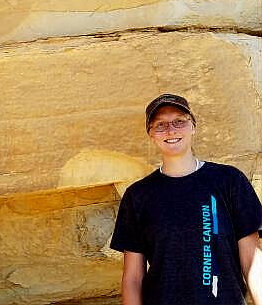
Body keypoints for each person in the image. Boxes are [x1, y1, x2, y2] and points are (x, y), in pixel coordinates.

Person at [110, 93, 262, 305]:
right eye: (160, 125)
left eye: (179, 121)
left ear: (193, 127)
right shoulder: (138, 196)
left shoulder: (229, 181)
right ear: (151, 134)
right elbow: (133, 279)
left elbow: (253, 261)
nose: (171, 130)